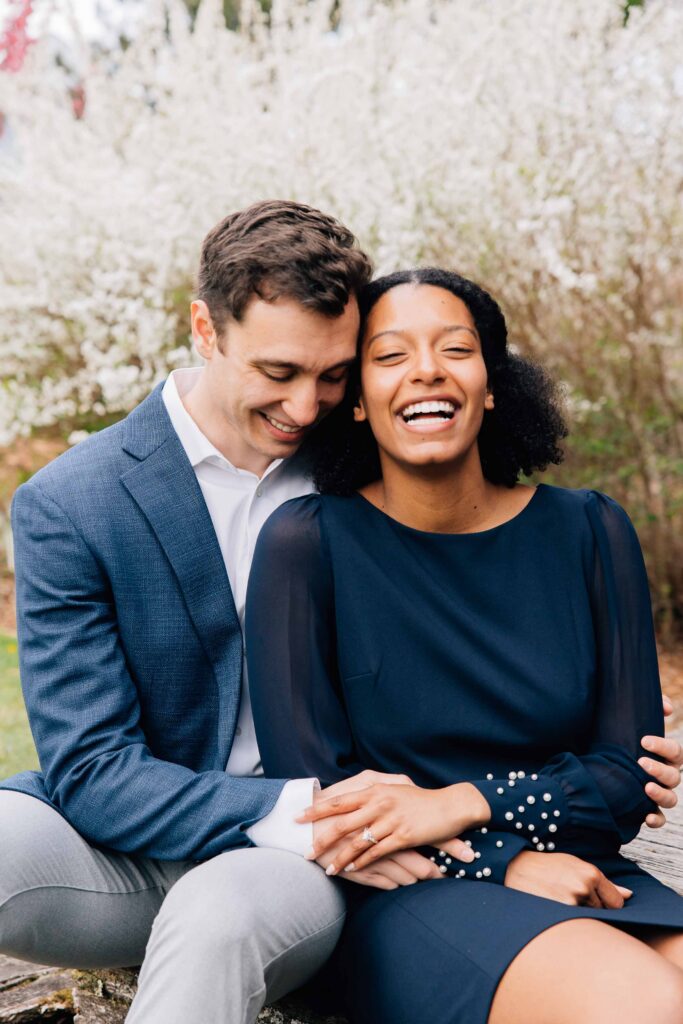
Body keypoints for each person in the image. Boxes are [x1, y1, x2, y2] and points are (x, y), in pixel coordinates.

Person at [0, 203, 465, 1024]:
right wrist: (282, 815)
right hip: (129, 848)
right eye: (279, 372)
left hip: (306, 867)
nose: (309, 404)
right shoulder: (71, 503)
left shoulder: (373, 467)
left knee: (216, 920)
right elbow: (90, 769)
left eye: (332, 375)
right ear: (205, 329)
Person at [246, 267, 683, 1024]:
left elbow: (626, 779)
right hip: (404, 895)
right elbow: (323, 805)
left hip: (586, 869)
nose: (425, 370)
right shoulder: (307, 544)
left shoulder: (588, 530)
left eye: (455, 348)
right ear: (355, 399)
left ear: (490, 386)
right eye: (388, 357)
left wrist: (462, 801)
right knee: (639, 1004)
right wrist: (501, 860)